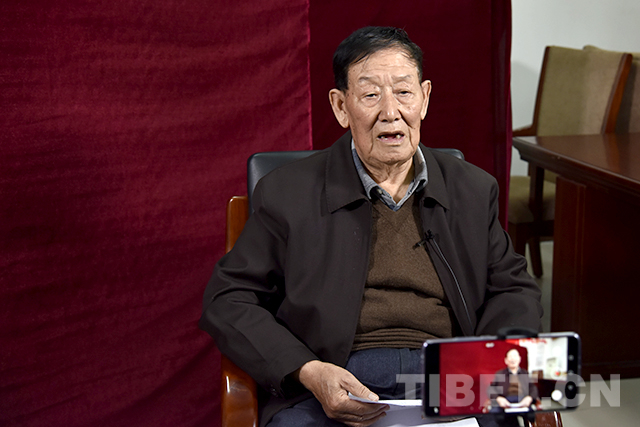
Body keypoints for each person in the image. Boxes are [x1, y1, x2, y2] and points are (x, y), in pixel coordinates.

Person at [200, 26, 542, 427]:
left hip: (449, 378)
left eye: (403, 91)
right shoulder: (288, 192)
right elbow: (229, 298)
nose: (391, 112)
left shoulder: (471, 189)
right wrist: (308, 370)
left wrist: (484, 364)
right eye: (370, 95)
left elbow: (513, 288)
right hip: (336, 380)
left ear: (424, 99)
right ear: (341, 107)